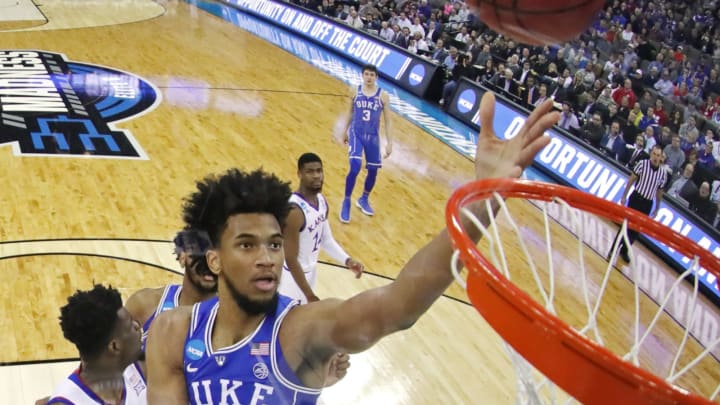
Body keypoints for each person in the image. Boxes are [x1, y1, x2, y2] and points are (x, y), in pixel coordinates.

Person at [144, 93, 559, 404]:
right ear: (214, 258)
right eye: (247, 244)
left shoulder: (303, 329)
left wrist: (482, 198)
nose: (268, 256)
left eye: (273, 243)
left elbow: (396, 307)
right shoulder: (172, 331)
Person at [279, 152, 364, 304]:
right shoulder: (294, 211)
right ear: (300, 174)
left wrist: (347, 260)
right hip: (291, 278)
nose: (316, 175)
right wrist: (309, 294)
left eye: (319, 171)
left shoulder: (321, 201)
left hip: (311, 271)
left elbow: (326, 239)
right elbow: (290, 258)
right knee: (286, 322)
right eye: (310, 171)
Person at [46, 285, 146, 405]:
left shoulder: (142, 367)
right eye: (130, 325)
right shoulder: (67, 401)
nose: (137, 326)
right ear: (114, 346)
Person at [340, 64, 392, 223]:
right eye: (366, 74)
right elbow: (350, 112)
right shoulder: (354, 90)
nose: (369, 77)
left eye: (372, 75)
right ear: (362, 75)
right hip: (356, 133)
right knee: (355, 165)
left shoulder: (383, 95)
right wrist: (344, 130)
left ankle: (363, 199)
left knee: (373, 171)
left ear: (376, 77)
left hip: (373, 137)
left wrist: (390, 143)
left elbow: (388, 121)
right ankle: (346, 201)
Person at [612, 145, 668, 263]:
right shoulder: (642, 164)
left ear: (661, 158)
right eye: (654, 154)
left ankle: (625, 250)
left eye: (658, 155)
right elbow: (632, 179)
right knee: (626, 225)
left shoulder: (663, 174)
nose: (655, 157)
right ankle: (615, 247)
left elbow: (659, 192)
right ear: (650, 154)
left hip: (647, 203)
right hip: (636, 198)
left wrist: (657, 207)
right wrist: (624, 195)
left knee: (636, 230)